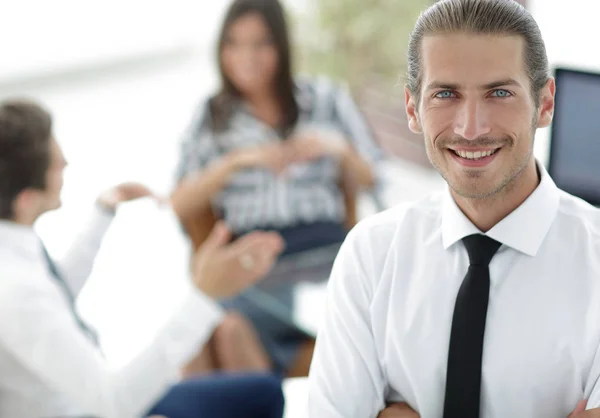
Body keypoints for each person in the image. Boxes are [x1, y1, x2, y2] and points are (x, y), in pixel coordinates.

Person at [307, 0, 600, 417]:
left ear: (545, 103)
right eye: (446, 94)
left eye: (499, 92)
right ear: (413, 109)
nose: (471, 128)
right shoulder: (371, 256)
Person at [0, 99, 286, 418]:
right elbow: (115, 403)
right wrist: (205, 295)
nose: (66, 162)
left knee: (262, 390)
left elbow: (56, 292)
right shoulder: (16, 290)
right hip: (96, 408)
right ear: (26, 200)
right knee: (265, 396)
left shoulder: (13, 247)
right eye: (54, 162)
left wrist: (104, 212)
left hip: (93, 399)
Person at [173, 0, 383, 377]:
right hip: (252, 257)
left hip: (323, 253)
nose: (246, 57)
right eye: (234, 44)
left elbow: (374, 176)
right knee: (222, 331)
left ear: (282, 46)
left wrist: (335, 147)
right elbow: (180, 203)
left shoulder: (325, 98)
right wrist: (234, 163)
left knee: (224, 331)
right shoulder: (212, 117)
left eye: (260, 44)